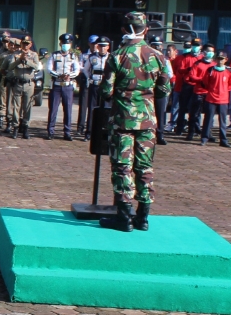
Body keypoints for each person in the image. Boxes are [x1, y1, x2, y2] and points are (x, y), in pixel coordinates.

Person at [98, 13, 170, 232]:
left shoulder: (116, 56)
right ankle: (143, 217)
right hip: (148, 120)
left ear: (123, 30)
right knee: (145, 167)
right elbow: (164, 90)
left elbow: (105, 91)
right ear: (146, 30)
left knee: (122, 167)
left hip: (123, 120)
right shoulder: (158, 56)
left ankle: (124, 217)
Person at [46, 34, 82, 140]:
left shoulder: (73, 56)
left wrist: (69, 76)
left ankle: (67, 132)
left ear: (70, 44)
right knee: (53, 109)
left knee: (68, 110)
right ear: (60, 43)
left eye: (67, 43)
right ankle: (50, 131)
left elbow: (77, 70)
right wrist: (58, 75)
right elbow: (48, 68)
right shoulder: (54, 55)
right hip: (56, 85)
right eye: (63, 43)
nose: (65, 45)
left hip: (68, 86)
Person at [5, 38, 40, 139]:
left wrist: (27, 61)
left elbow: (37, 67)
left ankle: (25, 127)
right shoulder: (15, 54)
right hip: (18, 83)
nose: (25, 46)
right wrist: (20, 59)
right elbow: (10, 67)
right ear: (21, 44)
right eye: (23, 44)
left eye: (27, 44)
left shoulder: (34, 55)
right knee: (16, 106)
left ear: (30, 45)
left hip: (29, 84)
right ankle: (15, 127)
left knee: (27, 107)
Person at [200, 53, 231, 147]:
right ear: (216, 60)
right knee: (208, 119)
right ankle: (204, 138)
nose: (220, 61)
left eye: (222, 59)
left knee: (223, 121)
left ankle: (223, 140)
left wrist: (223, 91)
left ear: (225, 60)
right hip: (211, 98)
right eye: (218, 59)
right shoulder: (210, 70)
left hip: (223, 100)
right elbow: (205, 82)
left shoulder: (229, 71)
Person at [78, 38, 109, 138]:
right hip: (95, 85)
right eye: (100, 46)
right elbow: (86, 70)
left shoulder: (111, 57)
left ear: (108, 47)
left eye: (104, 46)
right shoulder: (92, 57)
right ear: (97, 47)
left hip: (105, 87)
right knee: (92, 109)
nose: (102, 48)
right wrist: (89, 78)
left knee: (106, 109)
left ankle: (103, 132)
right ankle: (89, 132)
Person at [184, 44, 216, 141]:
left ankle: (207, 133)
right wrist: (202, 80)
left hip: (209, 93)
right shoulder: (197, 64)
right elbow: (192, 76)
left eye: (212, 51)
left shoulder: (214, 65)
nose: (211, 53)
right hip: (198, 92)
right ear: (204, 52)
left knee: (210, 114)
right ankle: (191, 132)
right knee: (194, 114)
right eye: (209, 51)